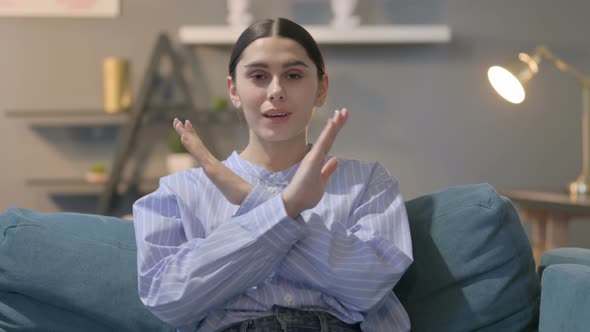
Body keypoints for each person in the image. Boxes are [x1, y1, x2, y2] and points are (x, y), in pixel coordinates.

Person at [133, 17, 413, 332]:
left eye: (293, 75)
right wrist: (287, 206)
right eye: (258, 76)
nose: (276, 90)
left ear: (321, 89)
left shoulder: (369, 182)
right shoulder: (179, 191)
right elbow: (167, 299)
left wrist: (250, 200)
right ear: (233, 90)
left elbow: (370, 283)